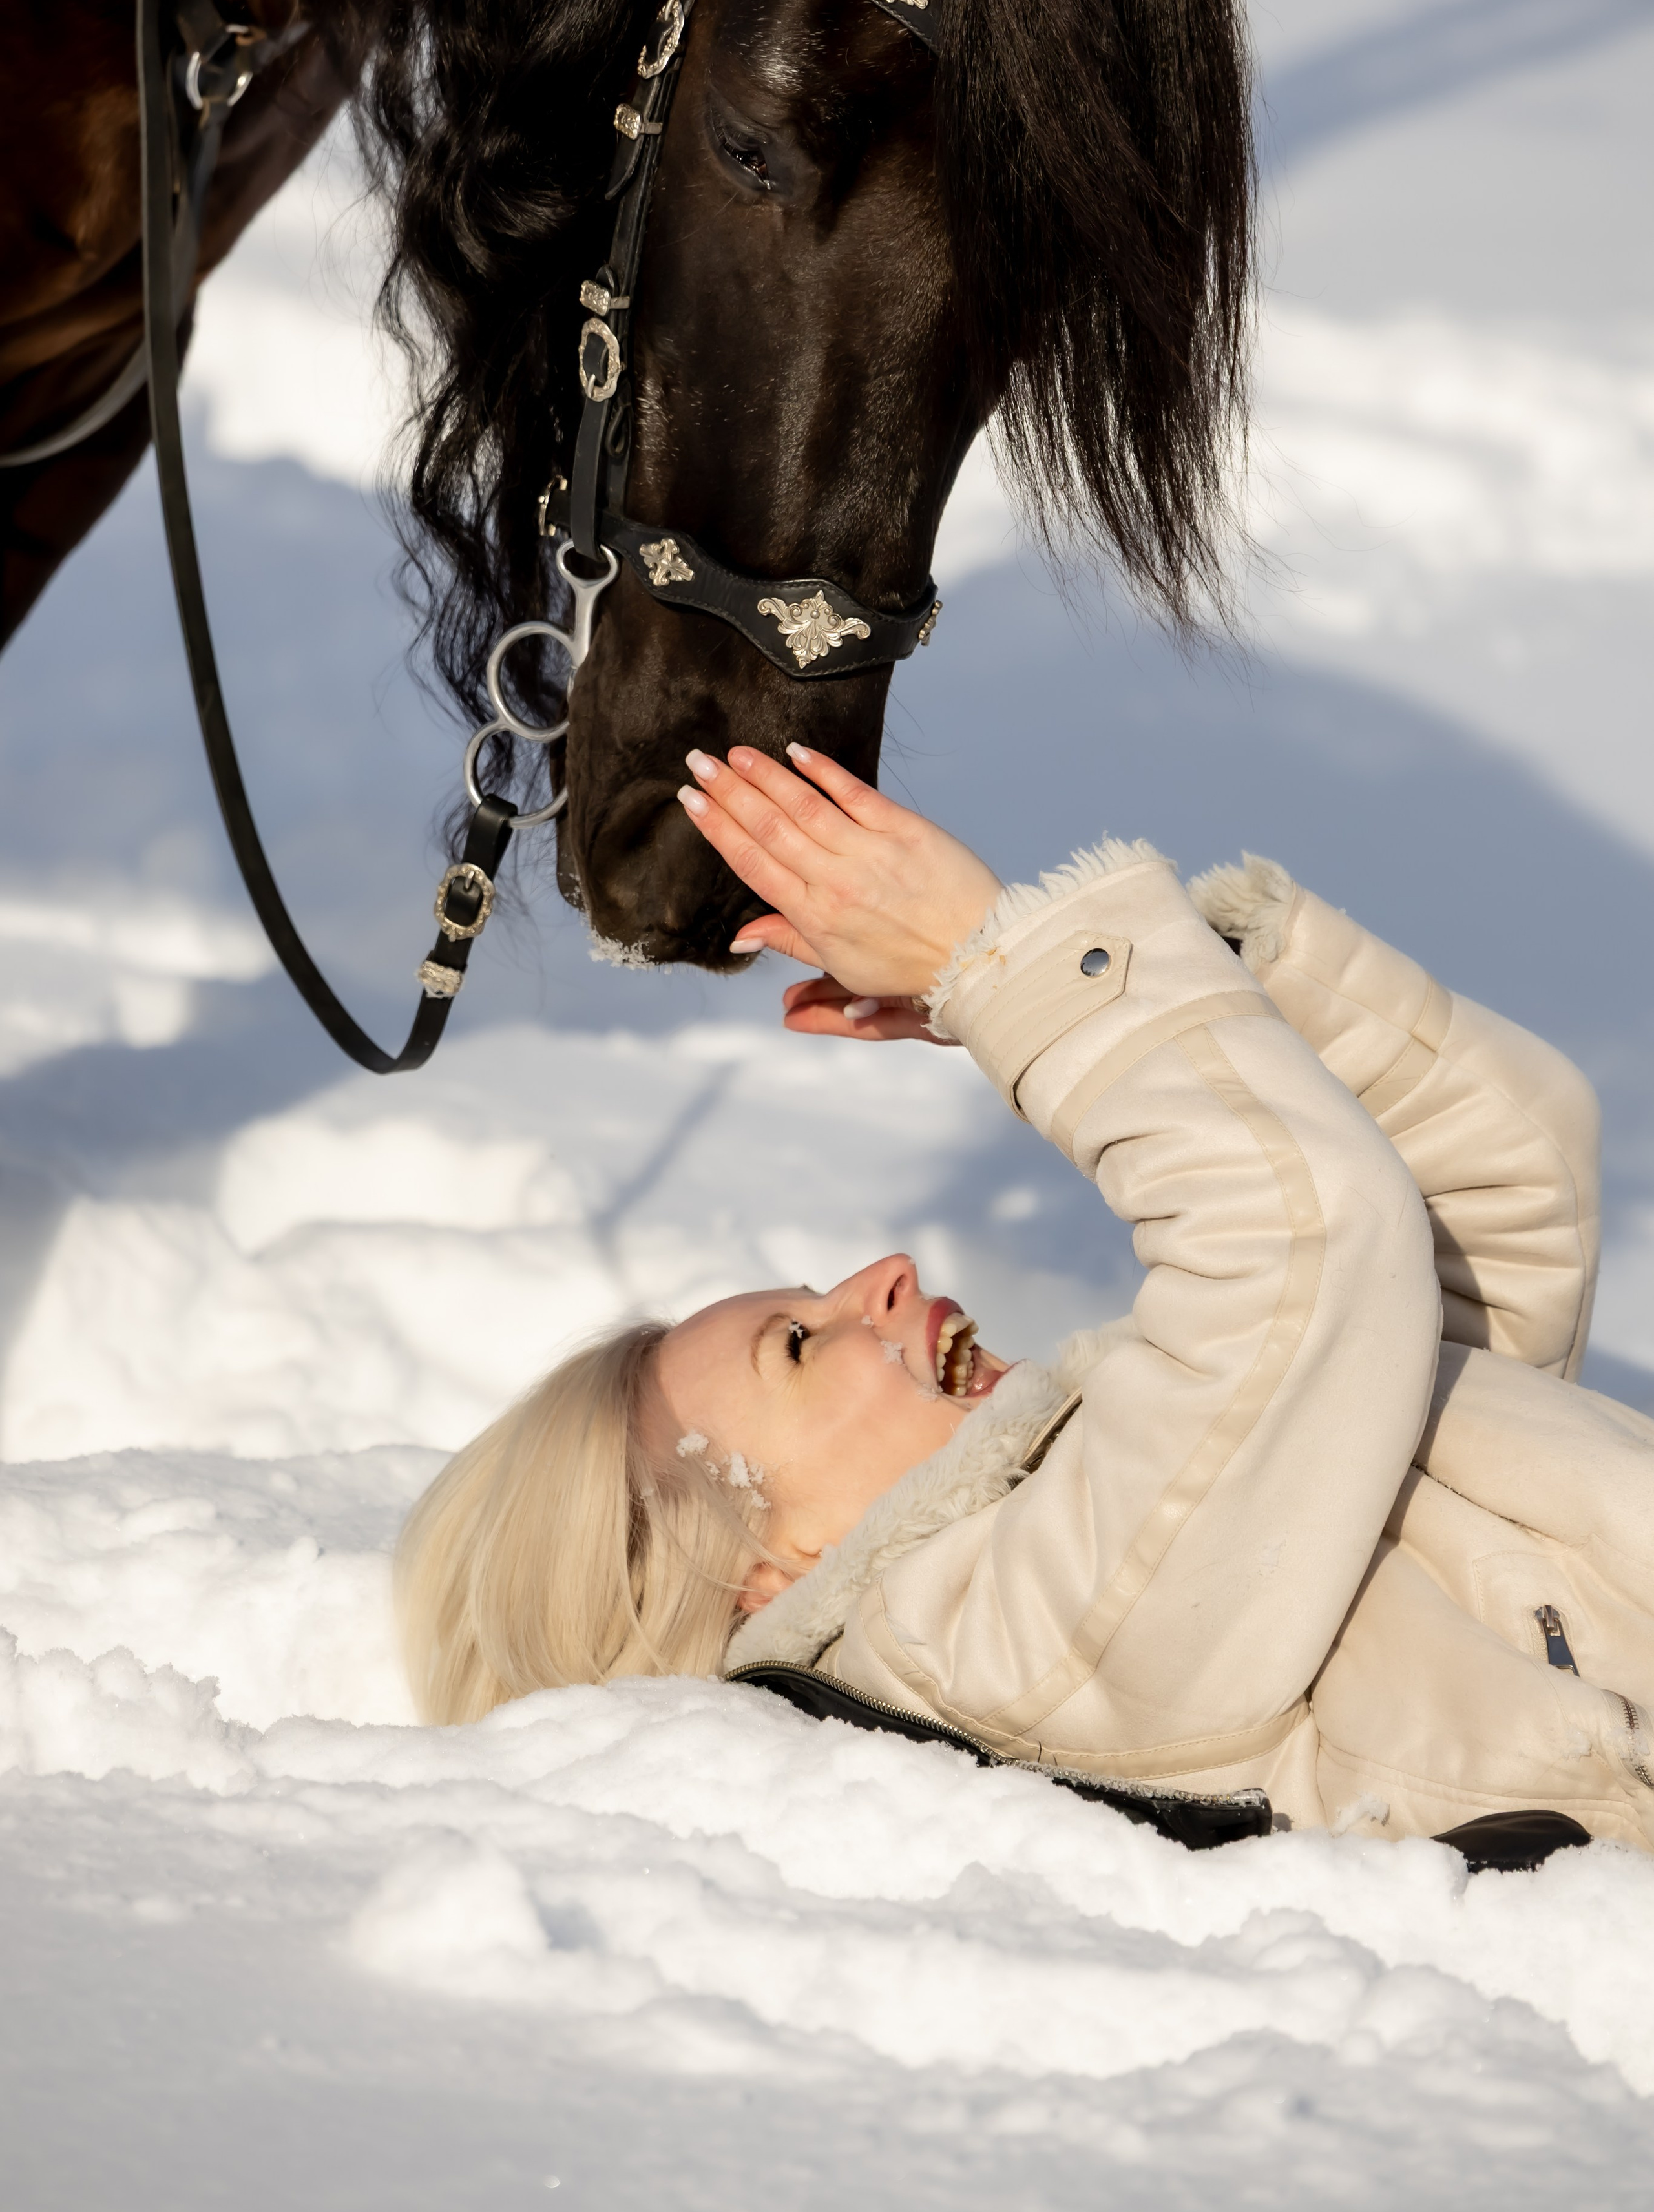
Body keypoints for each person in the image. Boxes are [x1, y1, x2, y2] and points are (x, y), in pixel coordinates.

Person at [397, 742, 1654, 1851]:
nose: (880, 1278)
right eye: (797, 1343)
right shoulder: (996, 1654)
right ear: (761, 1576)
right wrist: (1001, 968)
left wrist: (1180, 980)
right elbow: (1305, 1239)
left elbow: (1509, 1171)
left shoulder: (1092, 1518)